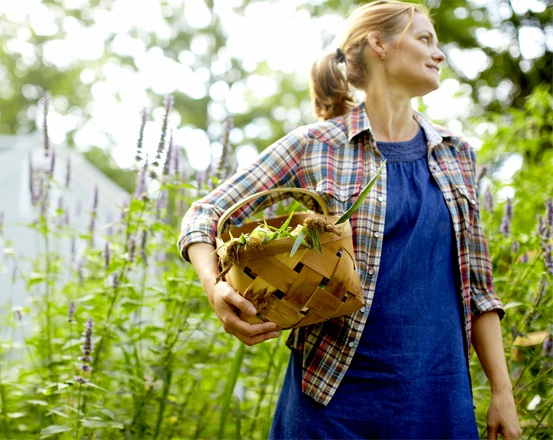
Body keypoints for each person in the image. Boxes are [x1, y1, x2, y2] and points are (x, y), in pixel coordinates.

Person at [178, 1, 522, 438]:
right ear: (379, 44)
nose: (439, 54)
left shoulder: (456, 155)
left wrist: (502, 392)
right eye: (424, 39)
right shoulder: (316, 145)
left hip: (438, 400)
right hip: (330, 403)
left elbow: (478, 288)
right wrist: (216, 289)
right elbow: (204, 214)